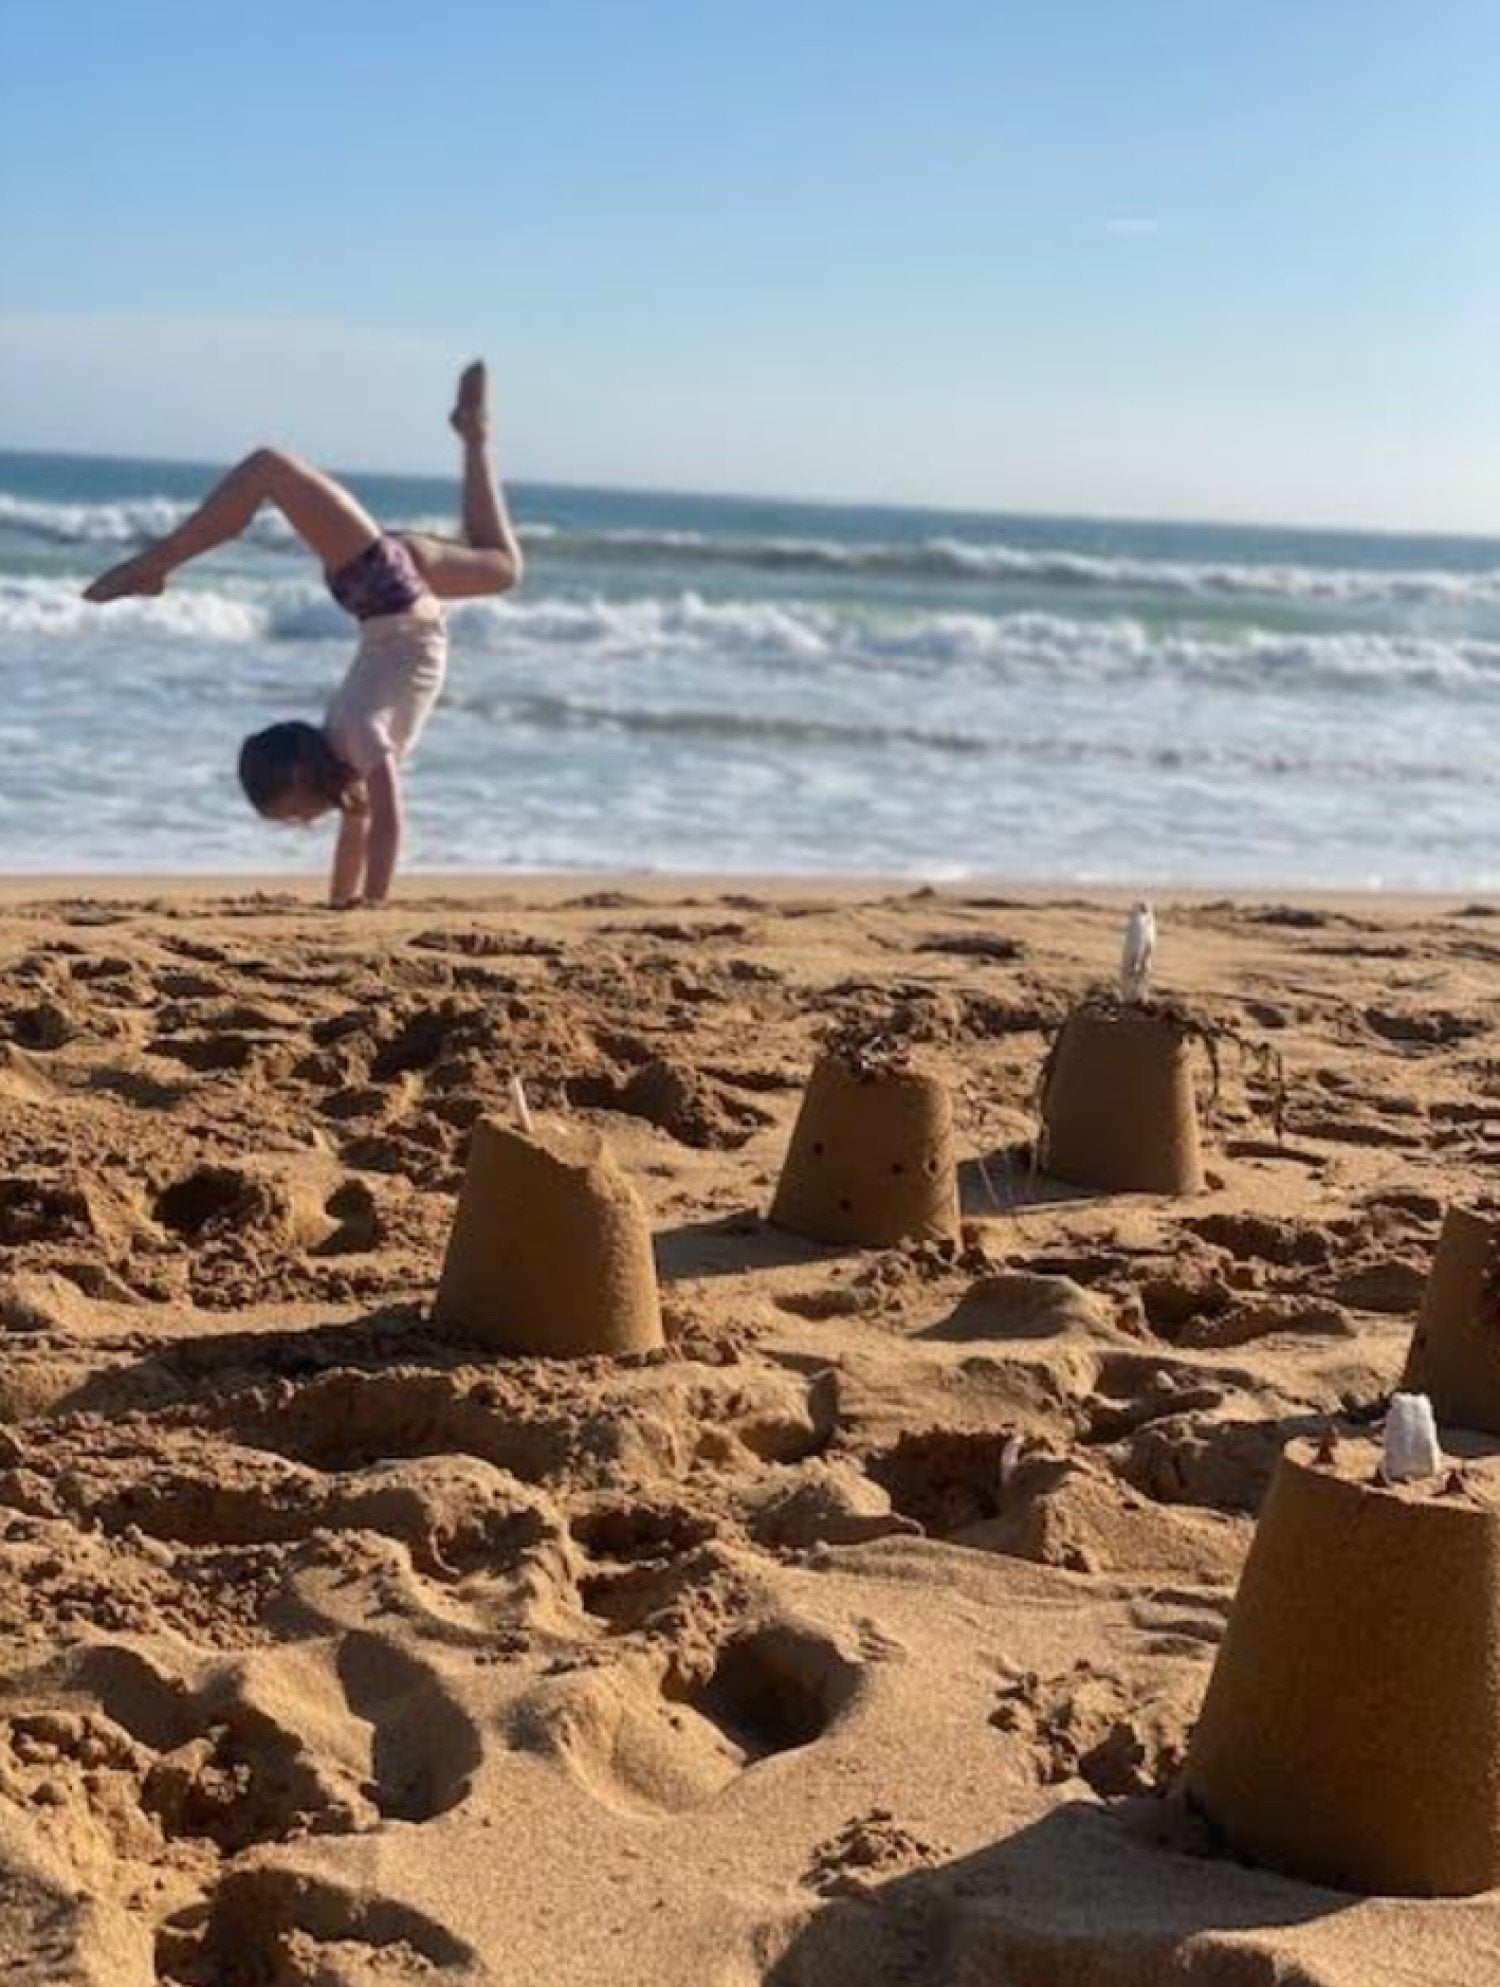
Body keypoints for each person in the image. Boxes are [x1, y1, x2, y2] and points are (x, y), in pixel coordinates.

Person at [82, 362, 522, 906]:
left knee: (269, 467)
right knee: (503, 568)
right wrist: (341, 906)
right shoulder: (347, 751)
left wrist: (375, 908)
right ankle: (474, 434)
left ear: (300, 773)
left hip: (385, 588)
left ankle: (155, 564)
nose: (307, 824)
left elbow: (389, 821)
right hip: (395, 590)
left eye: (295, 813)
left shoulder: (358, 734)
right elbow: (358, 831)